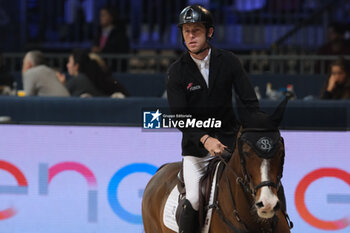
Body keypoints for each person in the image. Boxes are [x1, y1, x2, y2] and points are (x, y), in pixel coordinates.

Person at [166, 5, 260, 233]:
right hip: (196, 151)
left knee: (264, 183)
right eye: (186, 31)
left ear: (209, 32)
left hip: (231, 143)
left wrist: (256, 132)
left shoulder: (229, 61)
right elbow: (179, 117)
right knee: (194, 200)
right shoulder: (177, 71)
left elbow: (249, 102)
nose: (190, 36)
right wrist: (206, 139)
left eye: (196, 30)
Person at [65, 49, 129, 97]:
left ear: (76, 66)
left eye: (69, 62)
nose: (67, 65)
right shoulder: (89, 79)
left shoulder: (81, 79)